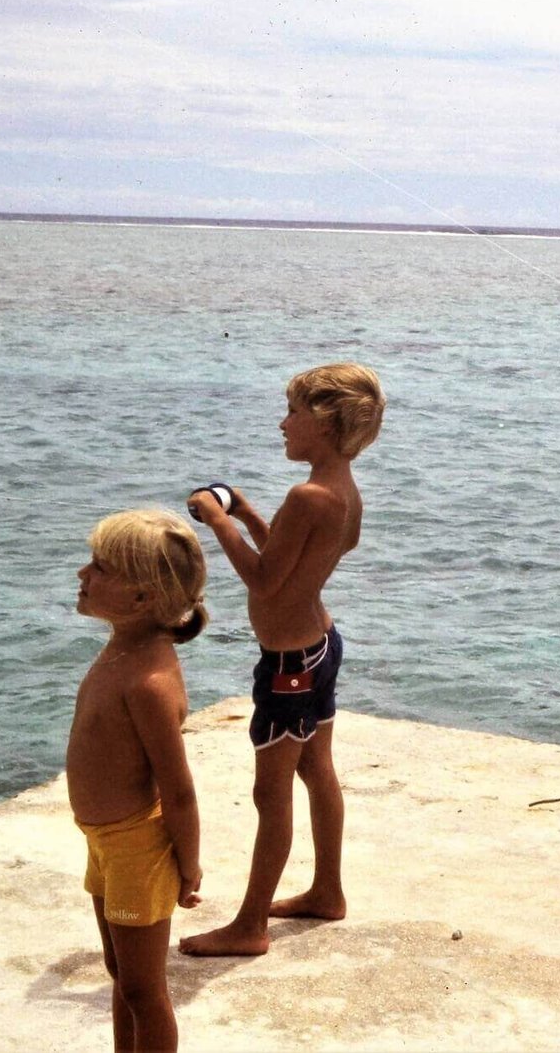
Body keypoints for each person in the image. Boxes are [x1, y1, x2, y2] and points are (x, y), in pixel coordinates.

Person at [180, 362, 385, 957]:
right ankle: (327, 889)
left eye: (293, 413)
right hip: (320, 646)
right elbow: (294, 559)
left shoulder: (306, 494)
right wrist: (245, 515)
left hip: (290, 664)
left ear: (322, 424)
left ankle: (249, 926)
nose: (282, 424)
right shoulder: (342, 491)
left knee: (272, 792)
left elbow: (265, 581)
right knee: (317, 768)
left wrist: (217, 523)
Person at [67, 508, 208, 1052]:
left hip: (137, 847)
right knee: (120, 975)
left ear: (143, 598)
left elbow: (178, 788)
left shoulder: (149, 680)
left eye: (101, 568)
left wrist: (187, 862)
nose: (83, 574)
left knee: (146, 990)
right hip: (104, 841)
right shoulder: (122, 647)